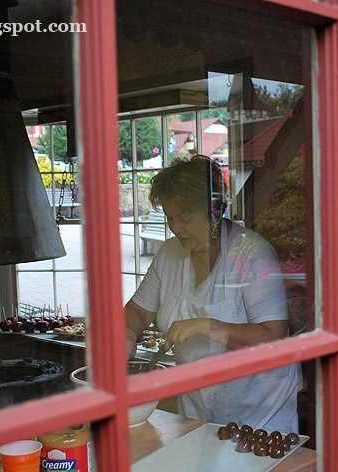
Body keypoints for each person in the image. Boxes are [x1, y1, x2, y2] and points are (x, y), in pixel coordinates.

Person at [124, 156, 301, 432]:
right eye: (170, 218)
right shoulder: (170, 254)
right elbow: (137, 311)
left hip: (260, 416)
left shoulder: (252, 253)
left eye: (185, 218)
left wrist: (205, 326)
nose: (175, 227)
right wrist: (127, 334)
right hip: (199, 411)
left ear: (215, 210)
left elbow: (273, 335)